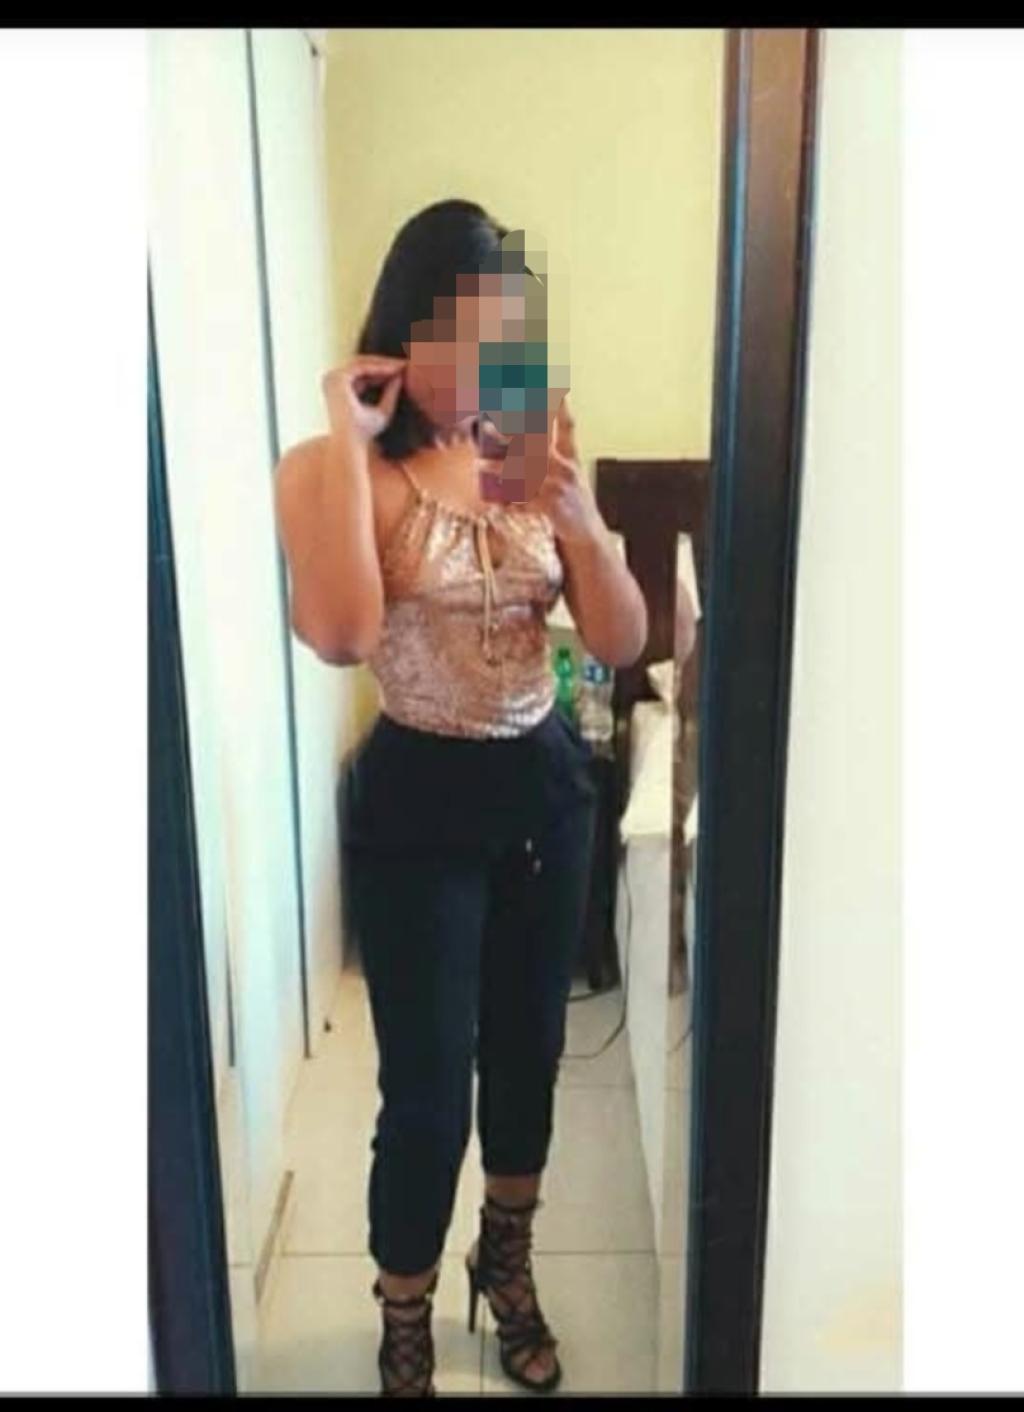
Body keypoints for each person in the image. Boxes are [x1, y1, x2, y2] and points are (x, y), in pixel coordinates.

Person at [274, 199, 647, 1397]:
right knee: (428, 1088)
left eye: (504, 336)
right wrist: (349, 444)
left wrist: (583, 522)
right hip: (417, 806)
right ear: (402, 327)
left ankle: (506, 1260)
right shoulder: (327, 468)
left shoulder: (532, 449)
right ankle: (404, 1310)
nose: (484, 364)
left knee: (529, 1056)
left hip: (544, 788)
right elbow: (341, 634)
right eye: (460, 335)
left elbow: (624, 638)